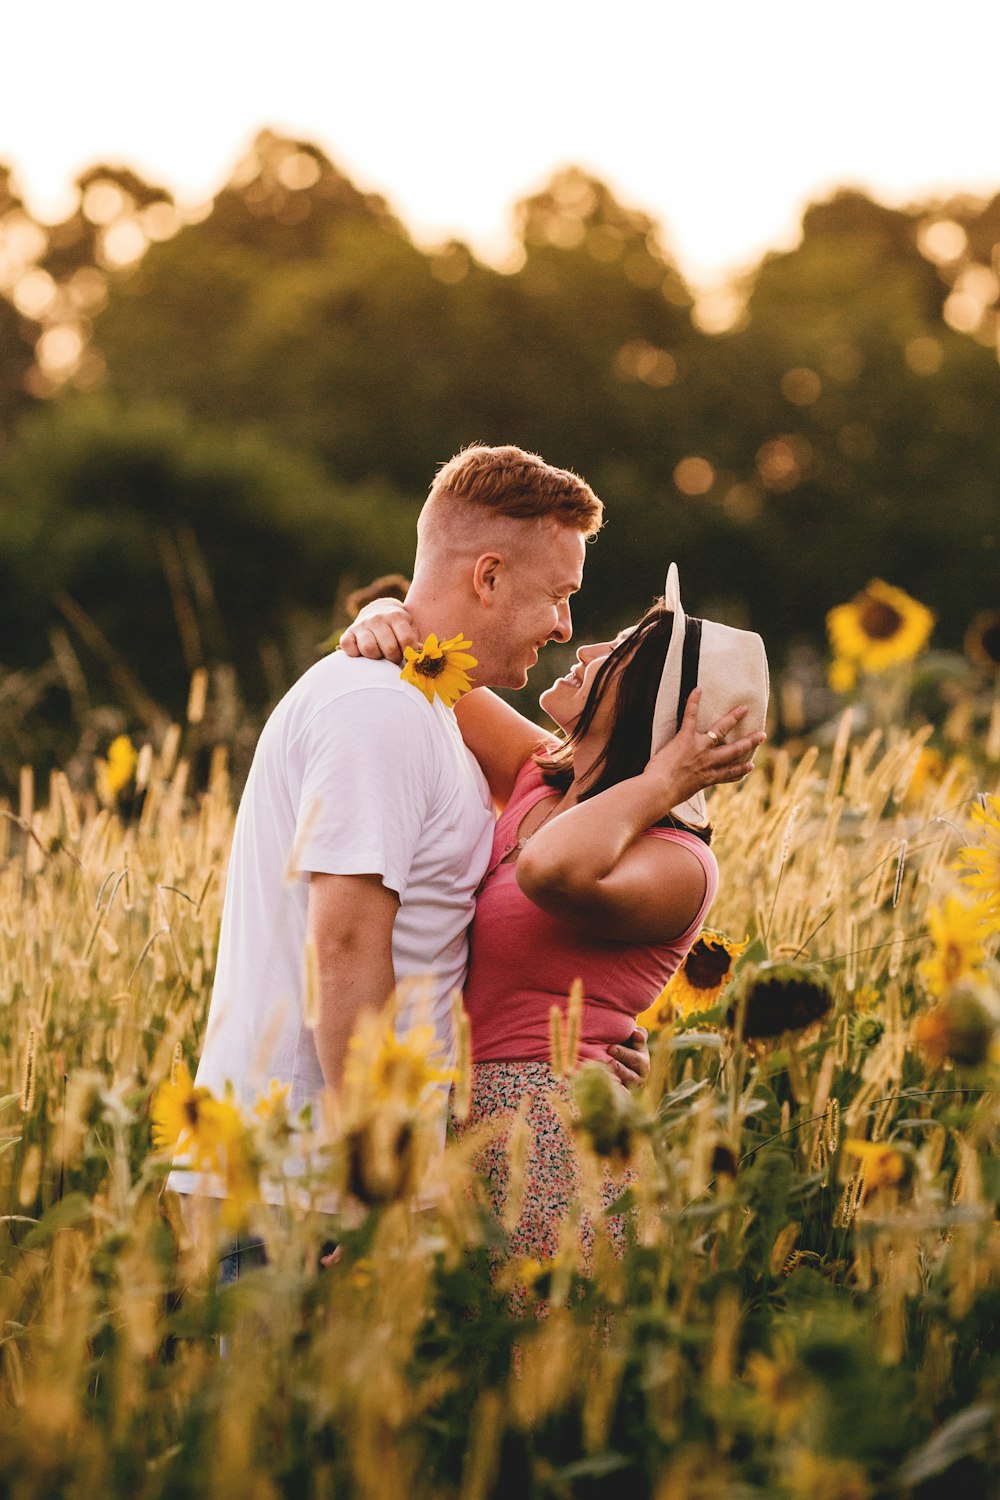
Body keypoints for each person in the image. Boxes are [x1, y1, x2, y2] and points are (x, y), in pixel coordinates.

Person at [166, 444, 651, 1233]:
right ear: (487, 576)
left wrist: (596, 1040)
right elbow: (348, 946)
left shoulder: (424, 700)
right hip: (302, 1186)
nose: (566, 625)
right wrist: (374, 1180)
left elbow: (562, 788)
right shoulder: (378, 711)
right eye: (559, 595)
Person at [341, 564, 769, 1269]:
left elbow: (548, 871)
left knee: (529, 1367)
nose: (588, 648)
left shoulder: (678, 862)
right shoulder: (539, 774)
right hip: (442, 1110)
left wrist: (665, 779)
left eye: (621, 652)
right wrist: (379, 613)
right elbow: (425, 664)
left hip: (547, 1138)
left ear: (657, 710)